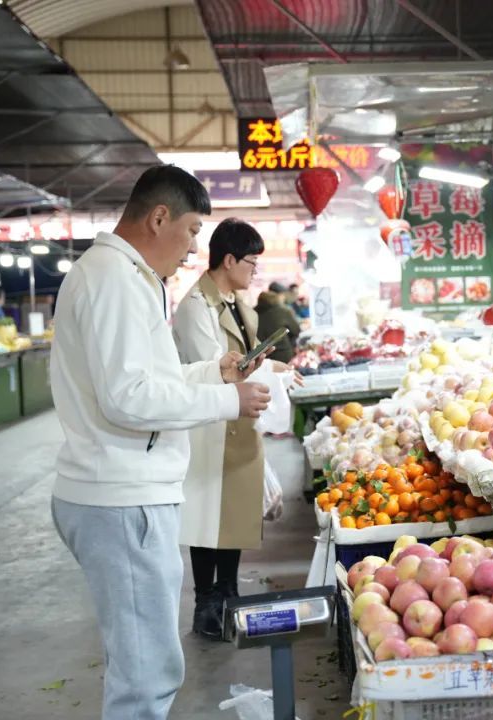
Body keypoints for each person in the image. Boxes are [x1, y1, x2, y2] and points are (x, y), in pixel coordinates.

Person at [48, 165, 272, 720]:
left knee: (138, 659)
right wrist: (228, 402)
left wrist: (211, 375)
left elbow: (148, 381)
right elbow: (128, 399)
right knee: (146, 674)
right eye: (194, 231)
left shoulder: (125, 277)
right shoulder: (114, 280)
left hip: (122, 491)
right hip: (121, 497)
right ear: (159, 217)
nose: (196, 247)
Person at [172, 219, 300, 639]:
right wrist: (256, 367)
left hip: (237, 422)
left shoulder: (233, 302)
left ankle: (227, 596)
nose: (254, 271)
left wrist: (277, 367)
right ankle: (207, 605)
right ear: (228, 260)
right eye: (250, 262)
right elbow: (212, 368)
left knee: (233, 521)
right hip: (211, 427)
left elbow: (243, 360)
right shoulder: (196, 307)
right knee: (208, 521)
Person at [254, 281, 300, 364]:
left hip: (260, 357)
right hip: (282, 355)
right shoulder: (283, 311)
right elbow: (296, 330)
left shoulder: (253, 312)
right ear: (279, 296)